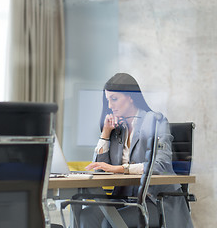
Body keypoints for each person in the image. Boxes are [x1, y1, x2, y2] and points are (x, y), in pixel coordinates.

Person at [79, 73, 193, 228]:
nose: (110, 106)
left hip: (155, 202)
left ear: (130, 97)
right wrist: (105, 133)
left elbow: (160, 166)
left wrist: (120, 168)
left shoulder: (155, 121)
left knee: (110, 222)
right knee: (86, 216)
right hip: (124, 200)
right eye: (108, 100)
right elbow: (99, 169)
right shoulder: (118, 129)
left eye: (114, 99)